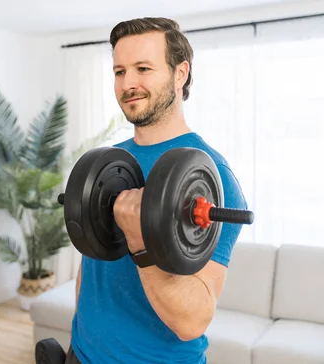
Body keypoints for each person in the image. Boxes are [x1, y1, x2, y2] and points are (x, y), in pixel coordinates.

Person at [67, 17, 249, 364]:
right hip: (82, 353)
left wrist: (140, 242)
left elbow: (192, 322)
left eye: (143, 68)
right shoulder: (110, 162)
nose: (128, 83)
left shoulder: (214, 177)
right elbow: (90, 267)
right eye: (119, 71)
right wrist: (77, 339)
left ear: (180, 73)